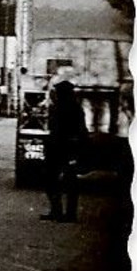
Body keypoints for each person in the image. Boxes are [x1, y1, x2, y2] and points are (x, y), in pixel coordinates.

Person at [42, 75, 88, 222]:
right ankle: (66, 213)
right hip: (65, 149)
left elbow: (79, 131)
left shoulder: (64, 108)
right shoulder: (74, 108)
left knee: (56, 182)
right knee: (65, 183)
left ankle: (60, 212)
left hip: (63, 148)